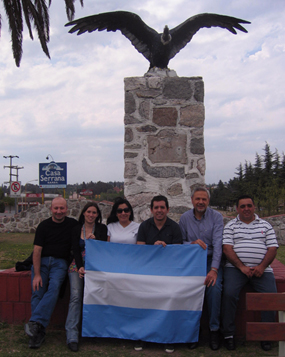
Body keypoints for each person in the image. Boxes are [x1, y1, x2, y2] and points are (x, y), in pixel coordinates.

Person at [222, 195, 278, 351]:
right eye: (242, 206)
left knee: (270, 297)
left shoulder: (266, 226)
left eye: (249, 205)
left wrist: (261, 266)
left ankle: (266, 335)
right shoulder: (230, 226)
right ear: (237, 209)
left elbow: (272, 248)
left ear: (254, 207)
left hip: (263, 269)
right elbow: (227, 248)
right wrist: (241, 267)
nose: (246, 209)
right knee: (228, 294)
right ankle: (228, 335)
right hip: (235, 269)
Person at [24, 197, 82, 349]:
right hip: (41, 262)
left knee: (55, 287)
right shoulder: (43, 226)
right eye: (56, 208)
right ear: (51, 209)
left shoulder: (72, 225)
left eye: (62, 208)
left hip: (60, 263)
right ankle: (38, 333)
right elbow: (37, 251)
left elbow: (86, 230)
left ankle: (35, 323)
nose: (59, 211)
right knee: (37, 290)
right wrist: (36, 274)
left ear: (66, 209)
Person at [179, 187, 224, 351]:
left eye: (204, 199)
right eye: (197, 199)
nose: (200, 202)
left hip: (211, 260)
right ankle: (192, 331)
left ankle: (214, 330)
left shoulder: (217, 217)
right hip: (191, 261)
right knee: (188, 289)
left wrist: (214, 270)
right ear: (192, 200)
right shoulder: (184, 218)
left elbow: (218, 246)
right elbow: (180, 242)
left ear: (208, 201)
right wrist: (191, 244)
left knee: (215, 287)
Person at [136, 195, 182, 353]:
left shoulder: (175, 227)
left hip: (169, 274)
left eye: (162, 207)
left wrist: (166, 248)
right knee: (143, 299)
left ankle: (168, 338)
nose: (159, 210)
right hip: (148, 272)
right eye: (156, 207)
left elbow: (177, 254)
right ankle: (142, 336)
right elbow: (140, 252)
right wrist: (153, 248)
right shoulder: (144, 226)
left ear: (168, 209)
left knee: (170, 299)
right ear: (151, 210)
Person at [65, 202, 107, 352]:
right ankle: (72, 334)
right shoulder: (76, 229)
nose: (91, 215)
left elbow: (103, 250)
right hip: (77, 265)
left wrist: (94, 241)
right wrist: (80, 266)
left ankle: (94, 331)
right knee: (76, 295)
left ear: (98, 215)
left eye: (94, 212)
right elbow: (75, 249)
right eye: (88, 212)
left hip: (95, 267)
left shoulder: (102, 229)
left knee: (97, 295)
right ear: (83, 213)